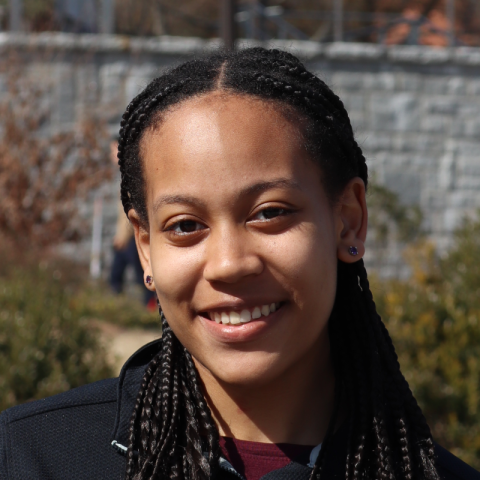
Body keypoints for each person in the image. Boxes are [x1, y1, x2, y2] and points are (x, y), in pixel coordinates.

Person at [0, 48, 478, 480]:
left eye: (270, 213)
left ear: (348, 221)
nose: (229, 264)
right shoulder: (30, 458)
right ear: (145, 247)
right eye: (185, 225)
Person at [109, 140, 156, 309]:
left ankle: (151, 305)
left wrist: (122, 236)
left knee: (142, 274)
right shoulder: (126, 174)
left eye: (113, 150)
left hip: (132, 235)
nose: (111, 155)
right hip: (128, 235)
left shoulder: (131, 176)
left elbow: (130, 211)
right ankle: (120, 305)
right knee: (121, 274)